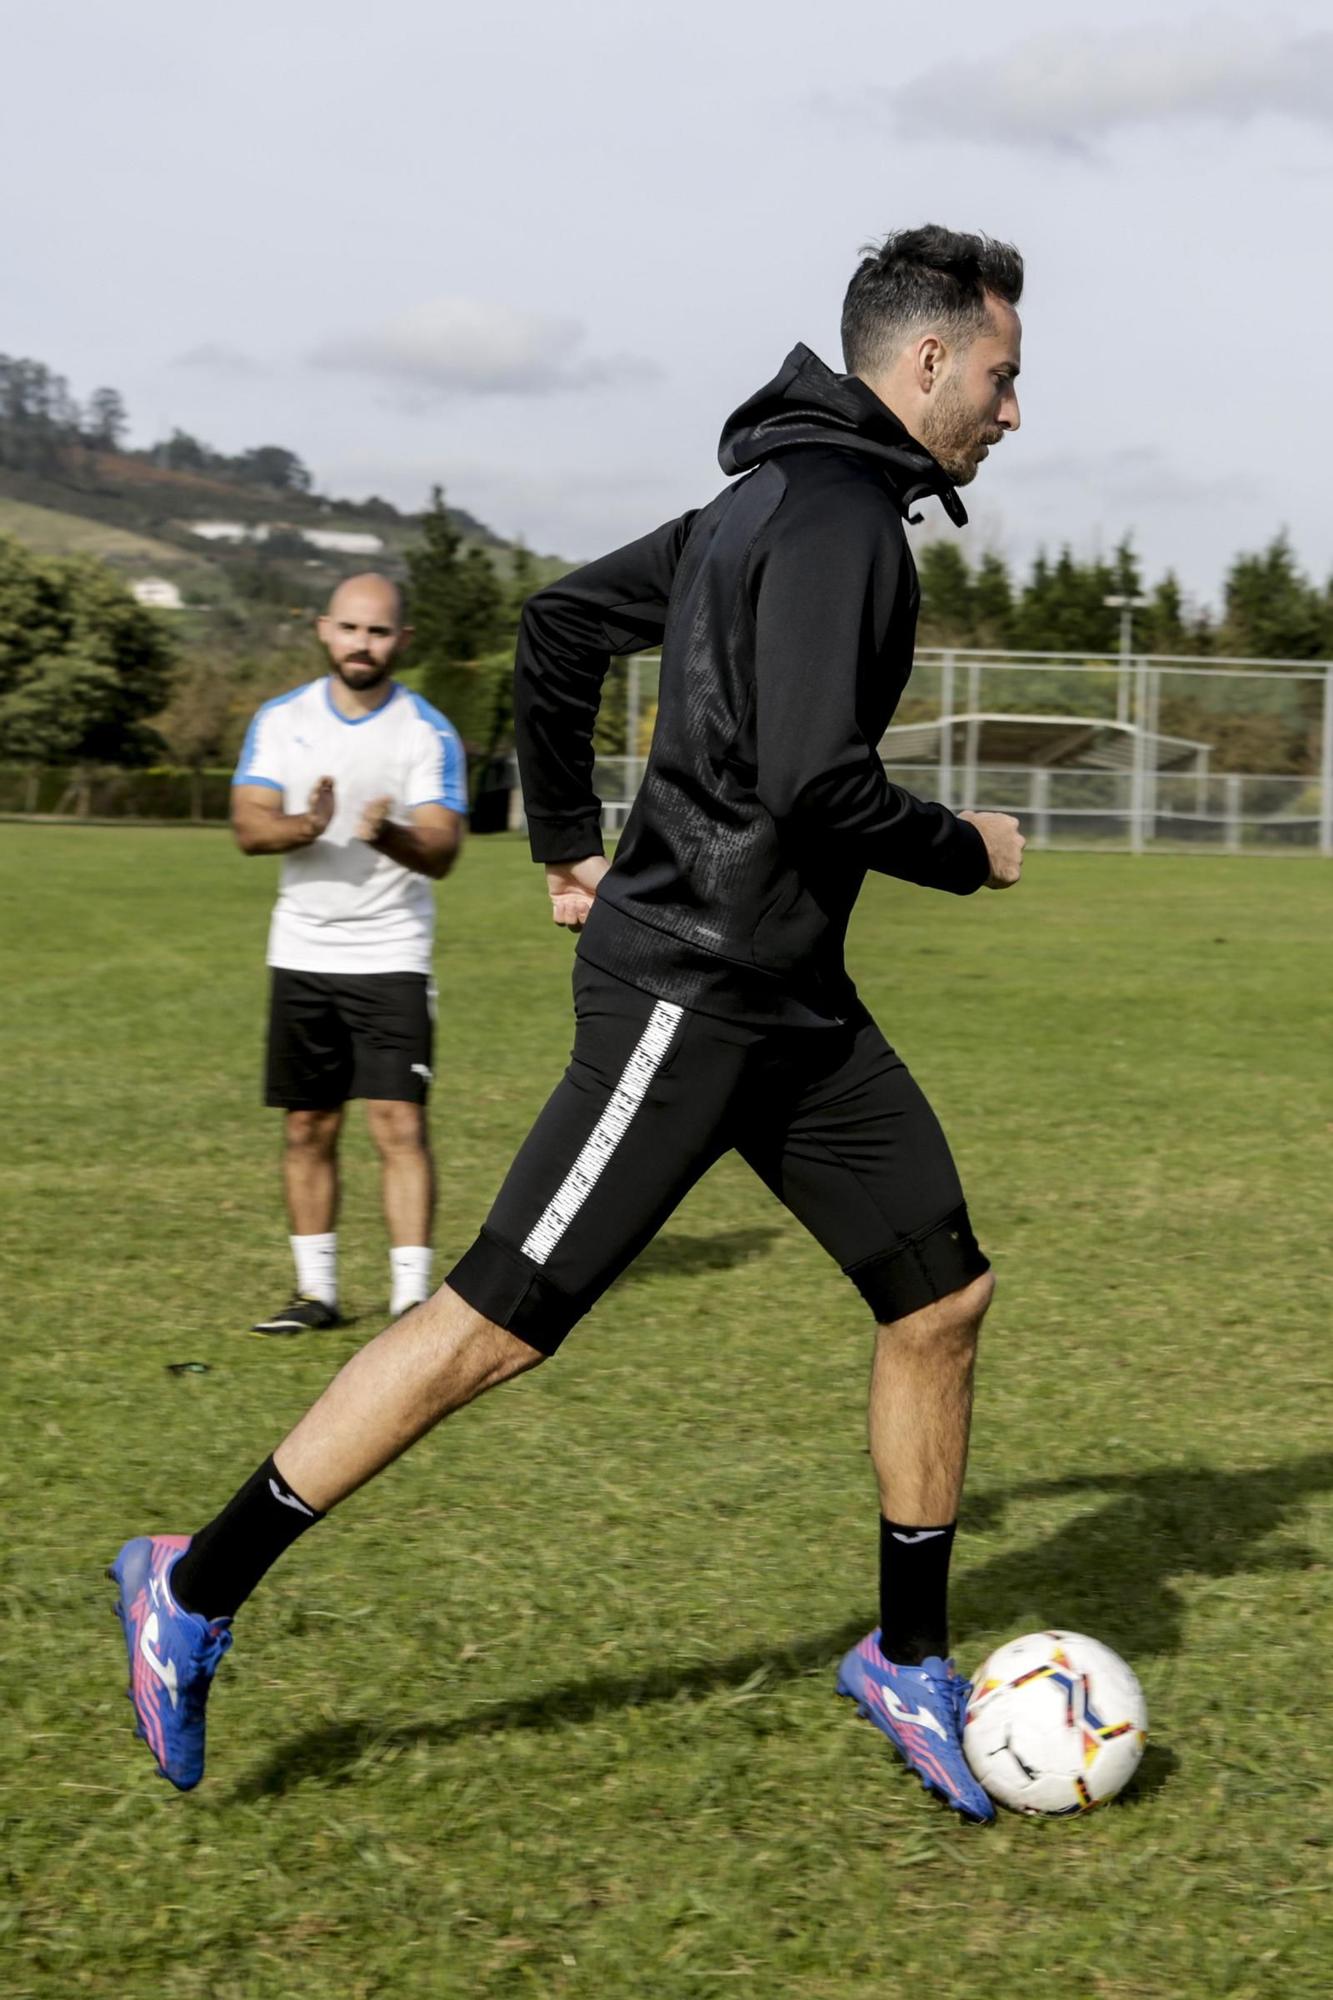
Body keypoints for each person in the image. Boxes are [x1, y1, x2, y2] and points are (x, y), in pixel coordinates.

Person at [111, 226, 1026, 1817]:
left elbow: (553, 625)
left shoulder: (770, 500)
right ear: (927, 362)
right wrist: (968, 849)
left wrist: (566, 847)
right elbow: (817, 782)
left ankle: (904, 1660)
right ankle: (190, 1586)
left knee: (940, 1298)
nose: (1013, 412)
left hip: (790, 1003)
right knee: (492, 1327)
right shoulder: (834, 522)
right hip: (694, 991)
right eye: (1003, 378)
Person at [229, 573, 468, 1332]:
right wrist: (308, 825)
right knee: (307, 1126)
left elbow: (441, 849)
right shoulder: (281, 720)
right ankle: (316, 1294)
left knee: (397, 1123)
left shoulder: (424, 732)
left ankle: (410, 1302)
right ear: (325, 630)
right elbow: (247, 826)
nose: (362, 644)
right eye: (351, 629)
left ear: (402, 641)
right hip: (301, 948)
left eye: (379, 632)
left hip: (392, 952)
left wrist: (386, 832)